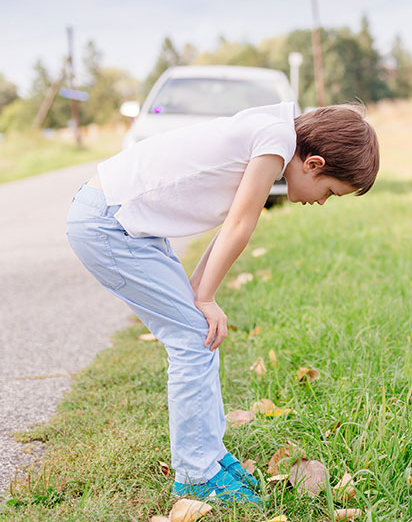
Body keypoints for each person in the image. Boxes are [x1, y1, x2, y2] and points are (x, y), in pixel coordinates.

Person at [65, 101, 379, 505]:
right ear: (314, 164)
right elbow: (241, 223)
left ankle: (210, 457)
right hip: (108, 223)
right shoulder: (276, 140)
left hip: (123, 221)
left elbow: (232, 221)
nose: (321, 201)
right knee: (194, 338)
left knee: (201, 332)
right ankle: (196, 475)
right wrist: (205, 298)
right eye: (330, 192)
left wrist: (199, 294)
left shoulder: (274, 130)